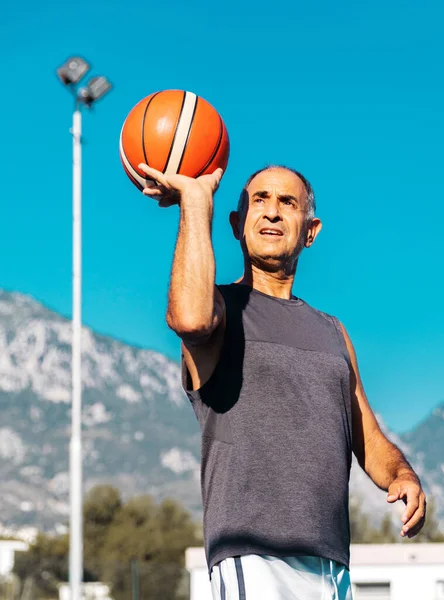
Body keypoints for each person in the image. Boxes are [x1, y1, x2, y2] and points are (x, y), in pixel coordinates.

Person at [139, 161, 426, 600]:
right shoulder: (220, 310)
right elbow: (189, 319)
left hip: (331, 565)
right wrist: (196, 203)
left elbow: (365, 433)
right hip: (253, 559)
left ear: (310, 231)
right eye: (260, 200)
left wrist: (401, 475)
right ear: (237, 224)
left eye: (287, 203)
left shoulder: (333, 331)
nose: (272, 212)